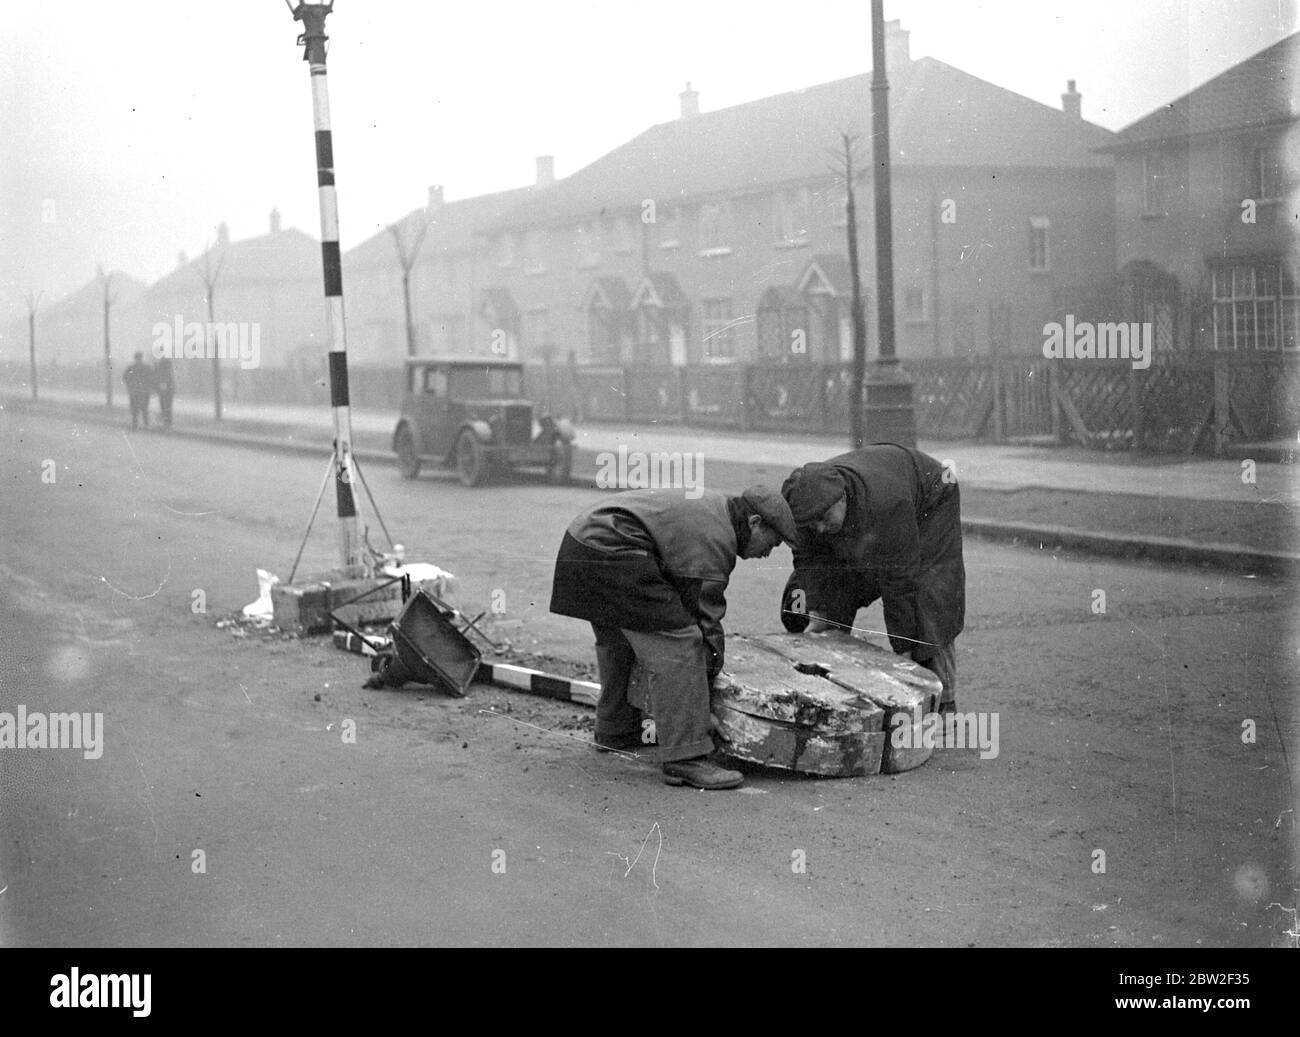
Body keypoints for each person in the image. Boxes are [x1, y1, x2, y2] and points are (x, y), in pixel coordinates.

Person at [550, 484, 799, 790]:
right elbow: (704, 621)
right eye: (771, 543)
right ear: (754, 522)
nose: (766, 553)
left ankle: (616, 729)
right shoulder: (715, 537)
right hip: (612, 548)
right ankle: (686, 758)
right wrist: (703, 704)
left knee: (621, 638)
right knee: (678, 640)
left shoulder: (716, 511)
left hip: (583, 543)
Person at [780, 444, 965, 713]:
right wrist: (821, 617)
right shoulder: (804, 508)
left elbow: (899, 582)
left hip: (931, 496)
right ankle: (834, 688)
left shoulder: (887, 506)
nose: (819, 528)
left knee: (929, 598)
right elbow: (810, 566)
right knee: (818, 593)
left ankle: (942, 703)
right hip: (880, 487)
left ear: (841, 499)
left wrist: (903, 654)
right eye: (811, 524)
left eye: (824, 518)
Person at [122, 352, 155, 430]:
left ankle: (145, 425)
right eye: (137, 358)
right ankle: (136, 424)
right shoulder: (131, 368)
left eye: (139, 358)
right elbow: (125, 378)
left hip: (143, 392)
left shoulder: (145, 368)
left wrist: (149, 387)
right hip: (136, 392)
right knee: (135, 409)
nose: (138, 360)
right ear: (135, 359)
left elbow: (151, 378)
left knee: (144, 409)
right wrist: (130, 386)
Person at [154, 356, 175, 429]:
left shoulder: (164, 374)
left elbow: (162, 382)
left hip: (165, 392)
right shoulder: (168, 373)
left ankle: (166, 422)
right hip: (168, 392)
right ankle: (167, 422)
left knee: (165, 407)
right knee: (167, 407)